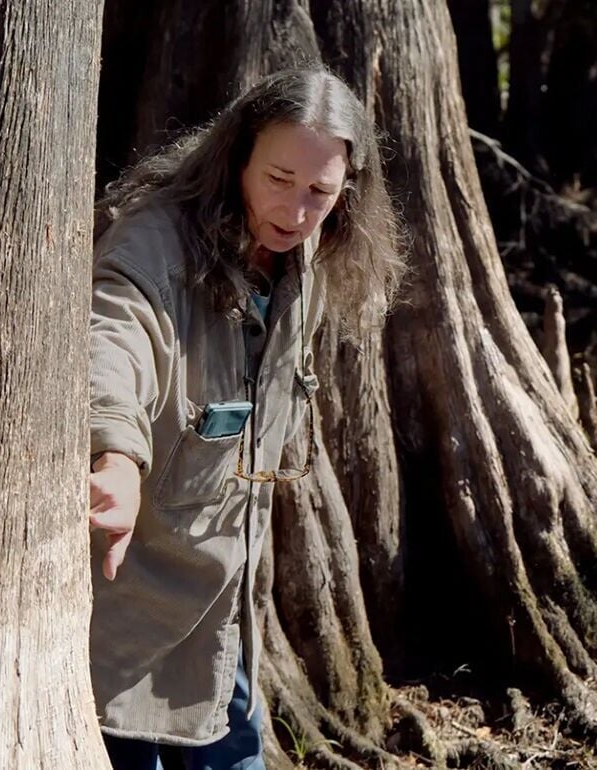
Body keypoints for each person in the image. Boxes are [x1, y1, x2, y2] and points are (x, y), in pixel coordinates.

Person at [87, 67, 404, 770]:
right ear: (237, 158)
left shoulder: (305, 256)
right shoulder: (153, 243)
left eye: (320, 191)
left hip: (222, 608)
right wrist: (115, 455)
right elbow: (113, 332)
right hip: (124, 607)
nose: (295, 211)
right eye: (279, 179)